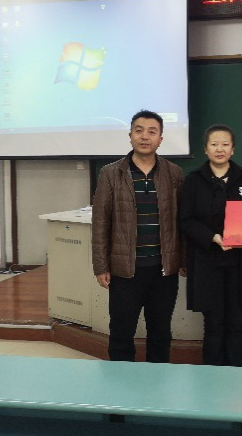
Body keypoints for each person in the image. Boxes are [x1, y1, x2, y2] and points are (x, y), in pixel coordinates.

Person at [92, 110, 184, 363]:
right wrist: (101, 266)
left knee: (160, 332)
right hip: (124, 270)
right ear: (130, 135)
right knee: (121, 333)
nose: (145, 136)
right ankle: (122, 384)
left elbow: (181, 221)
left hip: (163, 270)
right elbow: (100, 222)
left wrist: (183, 260)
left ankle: (157, 382)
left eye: (152, 132)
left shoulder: (174, 173)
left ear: (160, 139)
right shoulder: (111, 173)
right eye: (139, 130)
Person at [179, 124, 242, 366]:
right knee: (213, 324)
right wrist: (212, 237)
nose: (220, 149)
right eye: (214, 144)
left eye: (225, 144)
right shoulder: (193, 180)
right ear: (206, 149)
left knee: (236, 323)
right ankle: (213, 379)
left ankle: (237, 375)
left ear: (233, 149)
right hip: (207, 262)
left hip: (240, 263)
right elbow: (186, 220)